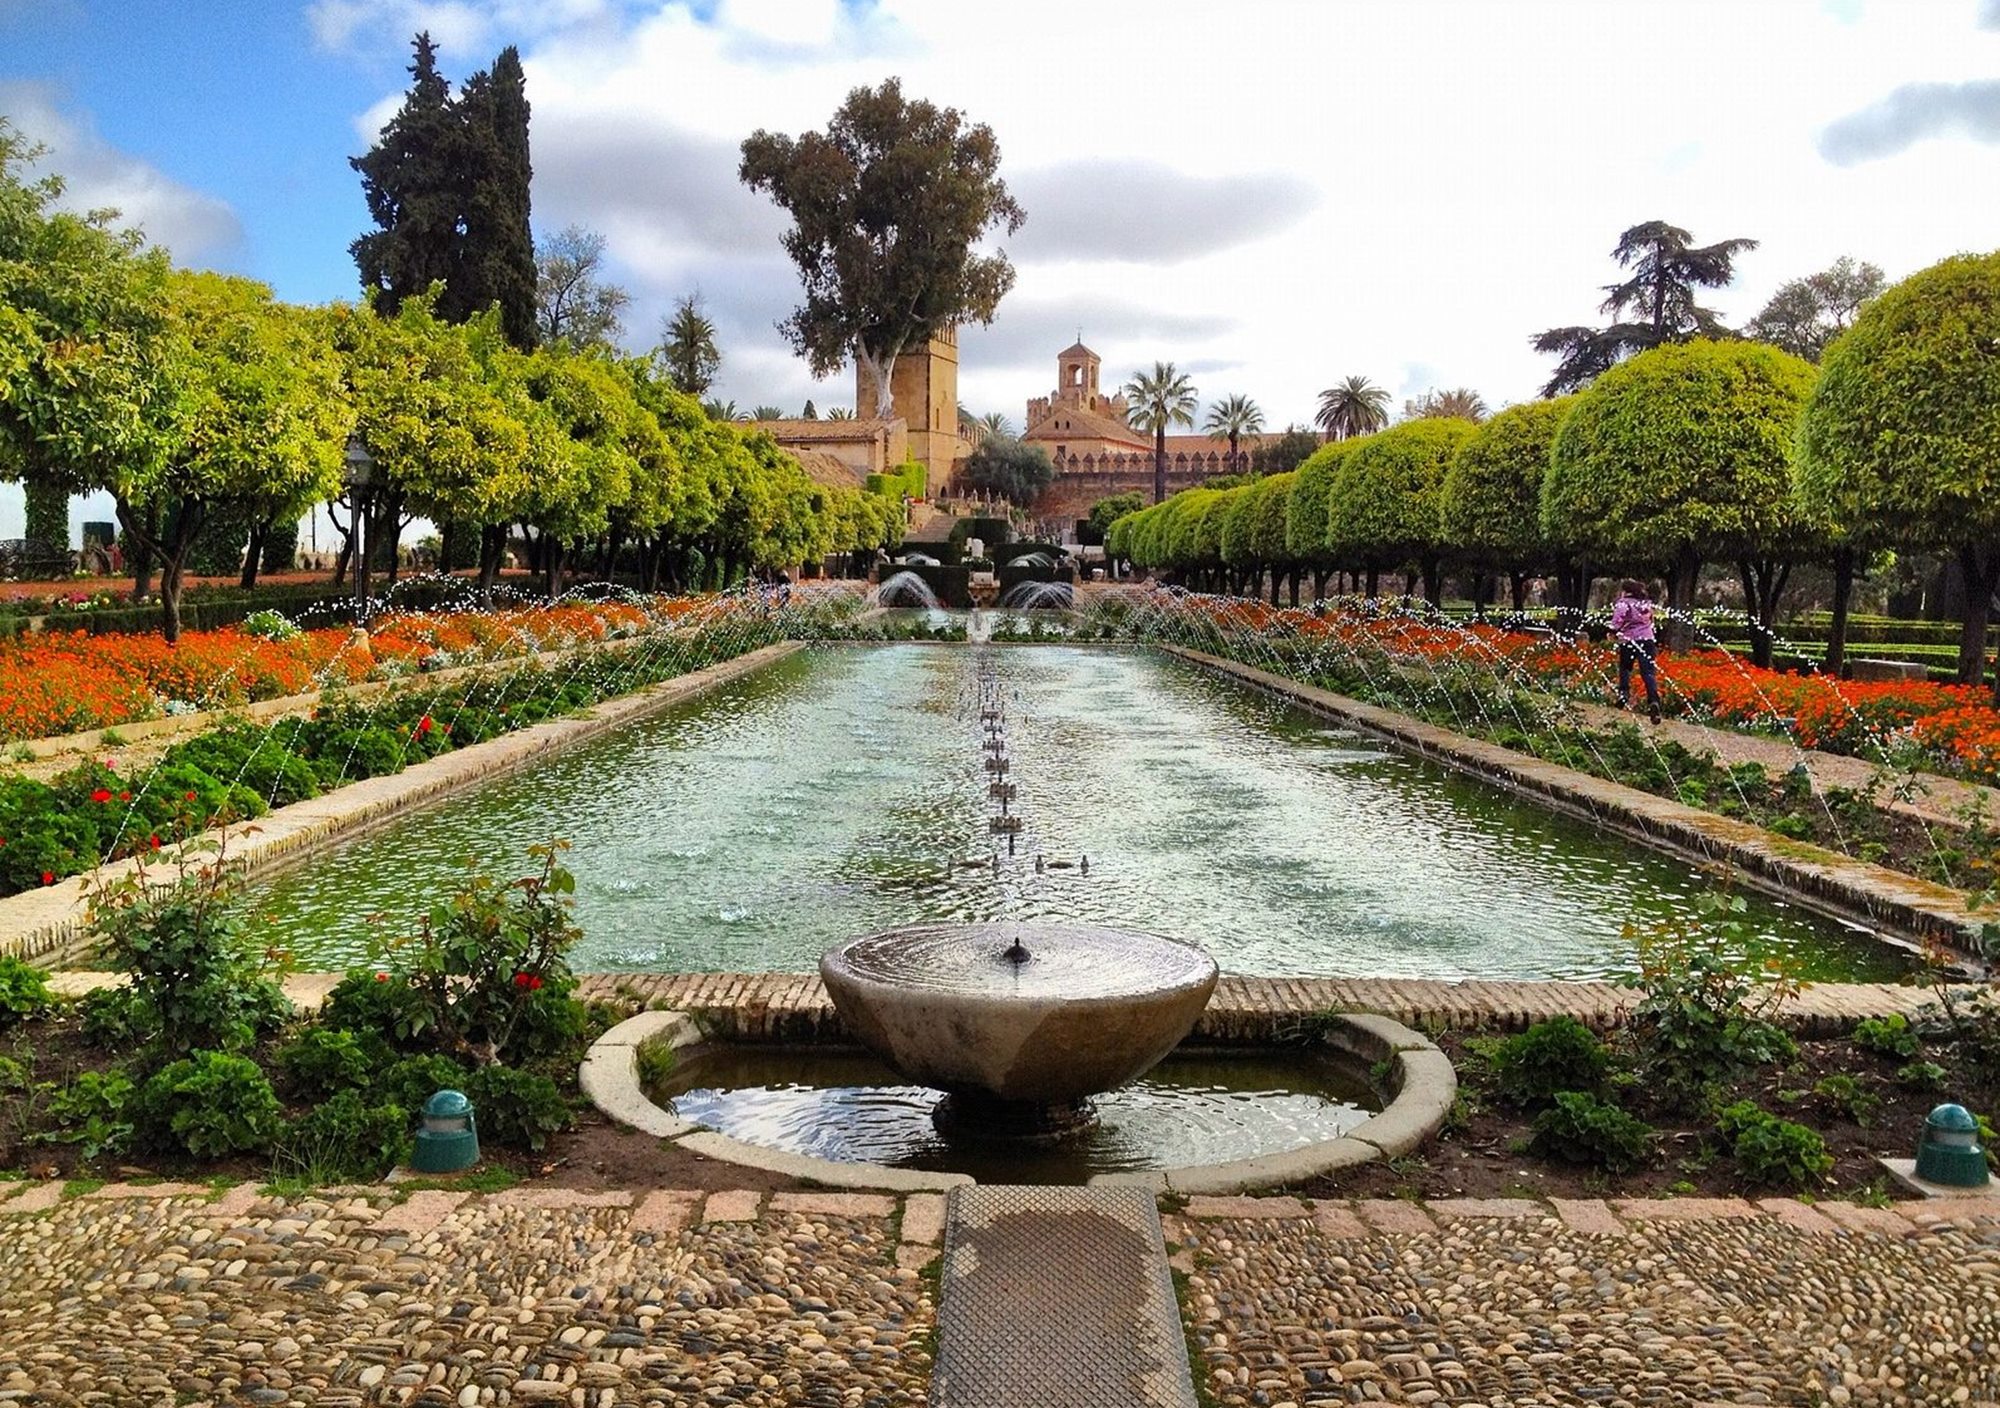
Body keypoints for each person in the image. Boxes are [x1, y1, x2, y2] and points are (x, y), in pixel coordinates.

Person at [1610, 578, 1661, 723]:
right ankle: (1654, 701)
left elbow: (1617, 620)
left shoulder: (1624, 603)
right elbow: (1651, 621)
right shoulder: (1646, 603)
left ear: (1625, 591)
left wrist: (1612, 631)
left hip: (1629, 640)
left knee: (1625, 668)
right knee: (1648, 673)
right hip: (1648, 640)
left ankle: (1624, 694)